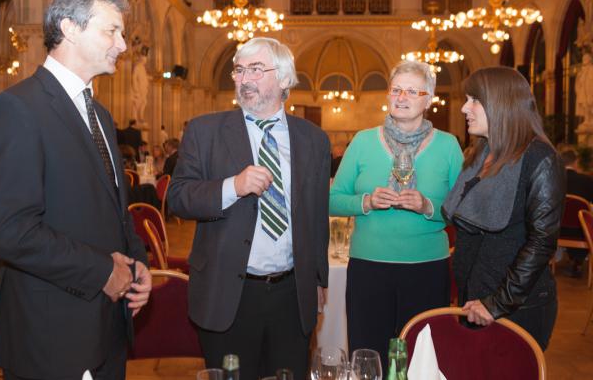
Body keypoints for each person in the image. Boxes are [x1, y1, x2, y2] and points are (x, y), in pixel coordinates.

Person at [0, 0, 151, 380]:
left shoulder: (101, 114)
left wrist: (137, 262)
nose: (123, 45)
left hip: (106, 328)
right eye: (112, 30)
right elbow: (10, 231)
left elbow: (113, 208)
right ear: (70, 28)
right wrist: (102, 272)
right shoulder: (17, 108)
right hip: (52, 333)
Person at [168, 37, 331, 380]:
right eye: (239, 70)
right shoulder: (205, 130)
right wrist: (233, 187)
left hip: (291, 295)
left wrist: (318, 278)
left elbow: (317, 217)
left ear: (285, 79)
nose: (244, 79)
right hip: (228, 294)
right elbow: (178, 197)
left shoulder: (313, 140)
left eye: (256, 70)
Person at [330, 60, 463, 369]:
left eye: (413, 91)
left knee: (422, 360)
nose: (402, 97)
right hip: (368, 268)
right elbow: (332, 200)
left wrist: (427, 207)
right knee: (368, 356)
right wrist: (365, 201)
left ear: (428, 99)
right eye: (396, 90)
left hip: (427, 269)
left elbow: (462, 209)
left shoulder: (448, 146)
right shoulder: (363, 141)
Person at [442, 66, 564, 350]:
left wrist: (497, 303)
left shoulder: (540, 158)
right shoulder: (481, 152)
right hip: (474, 298)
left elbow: (542, 243)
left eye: (474, 100)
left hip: (515, 307)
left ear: (501, 103)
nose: (464, 108)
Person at [559, 148, 593, 276]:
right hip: (582, 230)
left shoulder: (554, 179)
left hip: (558, 229)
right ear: (576, 162)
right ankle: (578, 260)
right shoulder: (587, 181)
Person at [131, 47, 150, 124]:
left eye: (146, 58)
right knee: (137, 103)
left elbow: (144, 78)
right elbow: (134, 77)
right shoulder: (138, 67)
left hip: (143, 89)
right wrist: (135, 89)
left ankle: (140, 117)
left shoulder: (143, 69)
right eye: (143, 58)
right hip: (138, 90)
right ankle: (136, 118)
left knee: (144, 102)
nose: (145, 60)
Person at [576, 52, 593, 130]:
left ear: (590, 60)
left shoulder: (591, 69)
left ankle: (590, 120)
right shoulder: (582, 71)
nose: (584, 60)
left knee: (590, 105)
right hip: (583, 91)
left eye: (586, 58)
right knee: (585, 106)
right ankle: (587, 120)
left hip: (590, 91)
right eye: (583, 59)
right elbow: (578, 82)